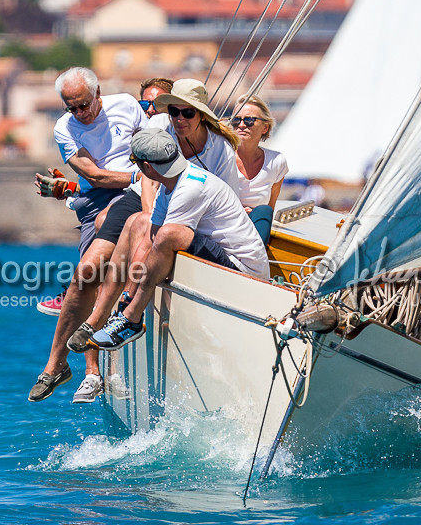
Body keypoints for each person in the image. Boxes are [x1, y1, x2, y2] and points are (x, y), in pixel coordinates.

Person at [28, 67, 147, 405]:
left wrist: (145, 179)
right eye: (71, 108)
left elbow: (156, 148)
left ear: (98, 94)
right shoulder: (64, 128)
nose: (80, 113)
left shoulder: (125, 105)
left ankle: (95, 370)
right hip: (97, 201)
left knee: (99, 268)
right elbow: (94, 175)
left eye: (84, 105)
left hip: (137, 195)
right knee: (85, 275)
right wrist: (138, 176)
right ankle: (61, 366)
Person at [90, 129, 270, 350]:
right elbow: (150, 239)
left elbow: (165, 238)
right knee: (150, 228)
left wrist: (136, 289)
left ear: (146, 168)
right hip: (225, 257)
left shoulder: (189, 188)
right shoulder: (171, 184)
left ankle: (132, 319)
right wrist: (129, 291)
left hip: (244, 270)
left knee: (170, 234)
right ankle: (127, 311)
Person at [230, 95, 287, 243]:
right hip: (224, 226)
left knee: (264, 211)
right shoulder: (222, 156)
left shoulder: (276, 162)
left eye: (249, 120)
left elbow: (270, 208)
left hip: (255, 233)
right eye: (237, 120)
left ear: (265, 127)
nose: (241, 125)